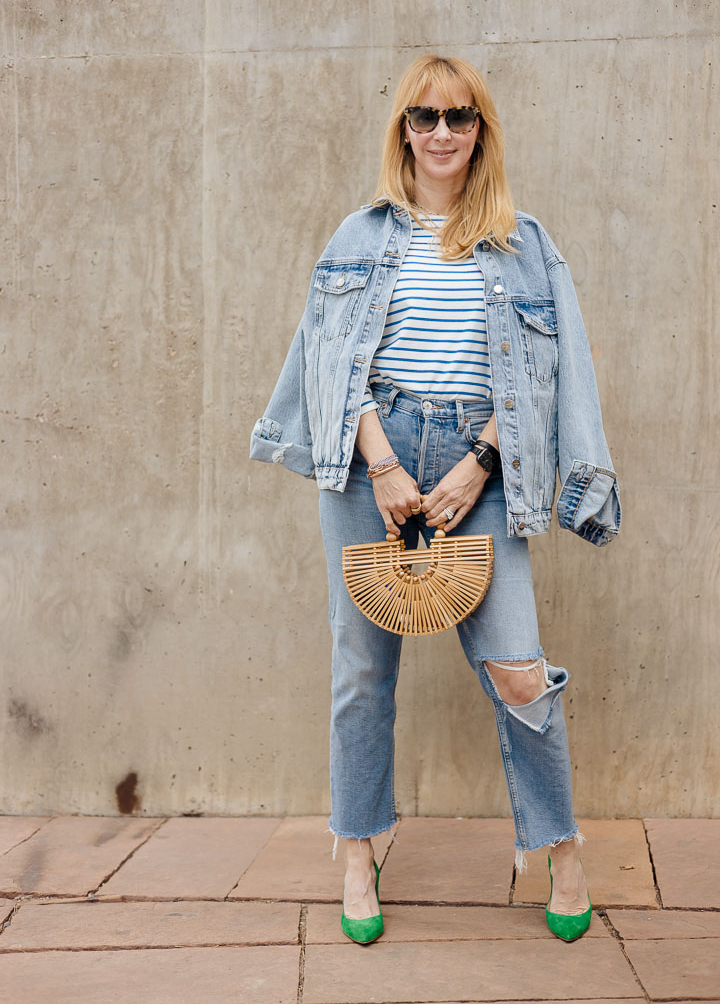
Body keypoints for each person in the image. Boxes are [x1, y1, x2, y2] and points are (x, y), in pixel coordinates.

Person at [250, 54, 621, 944]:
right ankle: (357, 849)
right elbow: (327, 363)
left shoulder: (524, 241)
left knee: (518, 670)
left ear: (480, 131)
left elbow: (560, 373)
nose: (442, 133)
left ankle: (560, 848)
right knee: (362, 674)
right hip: (370, 456)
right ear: (404, 130)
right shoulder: (357, 237)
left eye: (460, 118)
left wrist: (479, 465)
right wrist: (380, 464)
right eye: (425, 116)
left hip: (479, 463)